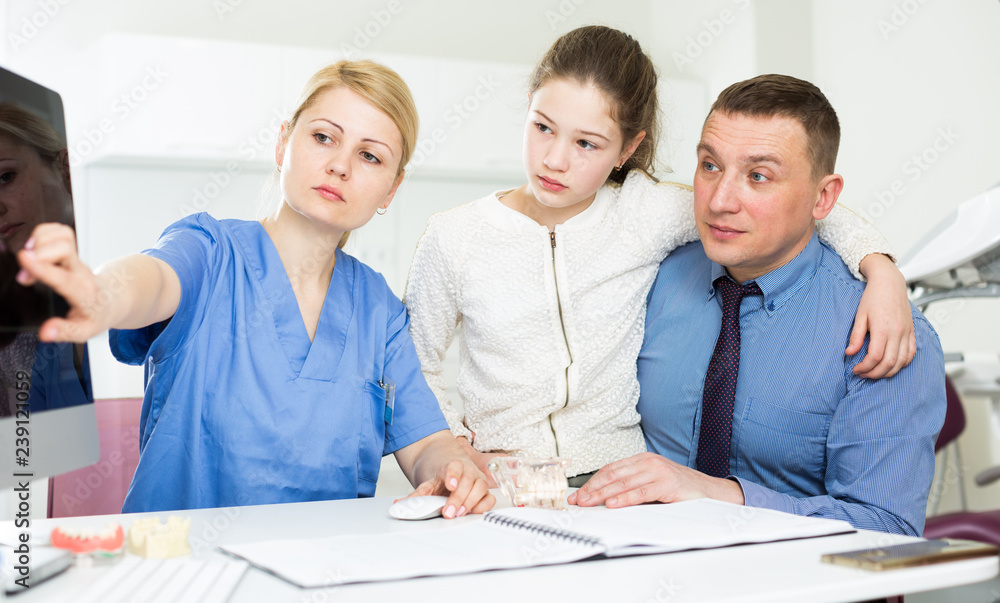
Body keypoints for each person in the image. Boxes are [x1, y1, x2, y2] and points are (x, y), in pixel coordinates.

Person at [404, 26, 916, 488]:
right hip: (502, 483)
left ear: (626, 150)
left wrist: (881, 268)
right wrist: (451, 444)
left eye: (587, 143)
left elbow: (805, 209)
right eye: (542, 127)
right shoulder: (455, 236)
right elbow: (413, 364)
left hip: (620, 484)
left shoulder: (645, 212)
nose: (554, 159)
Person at [15, 60, 495, 517]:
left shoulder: (378, 310)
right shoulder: (210, 250)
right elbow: (153, 279)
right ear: (284, 142)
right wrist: (98, 292)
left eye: (370, 156)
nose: (340, 166)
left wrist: (450, 469)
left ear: (392, 189)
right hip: (181, 569)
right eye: (324, 137)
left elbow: (426, 445)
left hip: (320, 571)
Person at [569, 74, 945, 537]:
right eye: (709, 166)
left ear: (823, 197)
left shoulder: (880, 328)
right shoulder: (651, 277)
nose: (720, 201)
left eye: (758, 176)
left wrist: (718, 494)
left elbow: (887, 528)